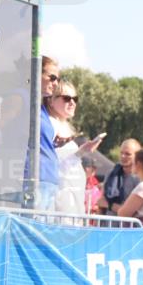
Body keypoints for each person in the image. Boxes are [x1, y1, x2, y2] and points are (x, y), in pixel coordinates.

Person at [47, 80, 102, 216]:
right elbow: (53, 163)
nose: (72, 102)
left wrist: (82, 151)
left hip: (72, 199)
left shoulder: (64, 126)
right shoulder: (50, 125)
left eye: (75, 99)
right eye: (66, 98)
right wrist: (81, 151)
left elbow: (65, 160)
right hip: (60, 201)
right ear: (51, 101)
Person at [26, 56, 61, 210]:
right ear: (35, 73)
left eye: (58, 79)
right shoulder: (22, 98)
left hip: (48, 181)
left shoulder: (41, 108)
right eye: (52, 77)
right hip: (33, 180)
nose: (56, 83)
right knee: (30, 224)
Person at [101, 139, 142, 215]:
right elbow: (101, 202)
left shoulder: (140, 178)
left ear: (137, 156)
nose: (123, 156)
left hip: (129, 222)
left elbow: (132, 211)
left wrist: (110, 205)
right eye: (121, 153)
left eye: (128, 154)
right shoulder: (111, 174)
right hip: (108, 221)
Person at [116, 148, 143, 224]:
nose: (131, 165)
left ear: (139, 164)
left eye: (133, 162)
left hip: (140, 228)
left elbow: (123, 213)